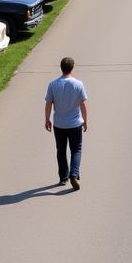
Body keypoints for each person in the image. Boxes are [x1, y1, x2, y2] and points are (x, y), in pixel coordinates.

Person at [44, 56, 88, 190]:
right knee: (76, 149)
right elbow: (83, 104)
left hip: (59, 124)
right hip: (75, 124)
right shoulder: (78, 84)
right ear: (72, 68)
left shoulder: (53, 84)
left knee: (61, 150)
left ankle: (63, 177)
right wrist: (85, 121)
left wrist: (47, 119)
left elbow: (48, 104)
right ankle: (74, 173)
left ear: (61, 68)